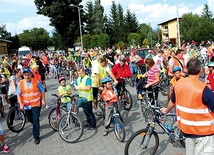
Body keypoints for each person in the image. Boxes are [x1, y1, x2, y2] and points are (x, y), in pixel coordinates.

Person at [161, 58, 214, 155]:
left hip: (187, 131)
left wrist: (166, 110)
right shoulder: (203, 89)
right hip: (204, 133)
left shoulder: (179, 84)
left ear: (186, 70)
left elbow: (172, 101)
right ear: (200, 70)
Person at [16, 68, 46, 144]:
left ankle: (36, 136)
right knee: (29, 118)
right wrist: (20, 104)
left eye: (28, 75)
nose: (27, 76)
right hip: (26, 106)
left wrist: (43, 100)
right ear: (23, 75)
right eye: (25, 75)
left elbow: (42, 90)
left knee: (35, 119)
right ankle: (37, 125)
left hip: (35, 104)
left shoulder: (36, 81)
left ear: (31, 75)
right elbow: (18, 94)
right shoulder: (21, 83)